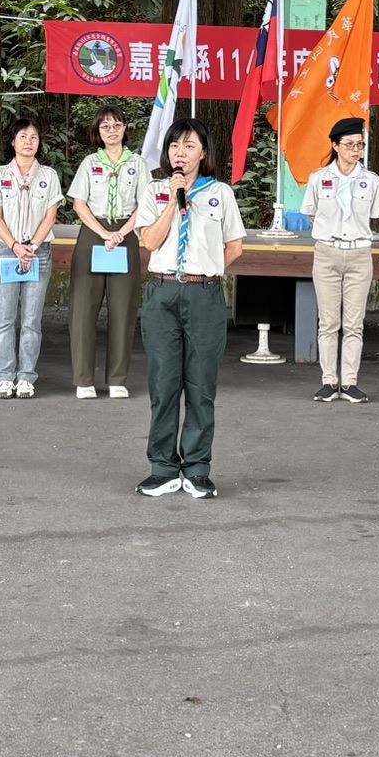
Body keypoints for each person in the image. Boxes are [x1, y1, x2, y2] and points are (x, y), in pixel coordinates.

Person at [133, 117, 245, 498]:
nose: (180, 153)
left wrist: (206, 274)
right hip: (163, 292)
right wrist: (172, 202)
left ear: (204, 152)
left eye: (190, 146)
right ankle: (162, 468)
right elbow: (149, 240)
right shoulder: (153, 192)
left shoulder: (221, 194)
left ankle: (197, 469)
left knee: (201, 386)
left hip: (204, 296)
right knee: (163, 385)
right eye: (175, 146)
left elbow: (234, 246)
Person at [0, 115, 63, 399]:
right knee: (5, 319)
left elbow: (51, 216)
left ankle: (26, 376)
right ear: (12, 141)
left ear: (39, 142)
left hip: (38, 251)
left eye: (33, 137)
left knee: (31, 319)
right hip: (6, 251)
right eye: (23, 137)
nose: (28, 142)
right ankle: (4, 376)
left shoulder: (49, 176)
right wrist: (16, 246)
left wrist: (31, 246)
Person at [66, 108, 145, 400]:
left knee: (123, 308)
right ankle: (83, 379)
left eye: (116, 125)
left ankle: (117, 379)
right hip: (93, 233)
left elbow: (144, 204)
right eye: (105, 126)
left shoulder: (138, 163)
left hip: (126, 234)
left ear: (125, 128)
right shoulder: (89, 163)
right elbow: (79, 203)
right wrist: (103, 233)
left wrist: (122, 232)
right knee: (83, 308)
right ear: (97, 132)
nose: (111, 130)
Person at [301, 116, 379, 404]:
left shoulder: (371, 181)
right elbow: (312, 213)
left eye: (359, 145)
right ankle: (328, 381)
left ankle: (349, 382)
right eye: (349, 145)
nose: (355, 150)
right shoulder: (318, 178)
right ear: (335, 145)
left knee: (354, 323)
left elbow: (371, 217)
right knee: (328, 322)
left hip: (359, 253)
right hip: (327, 252)